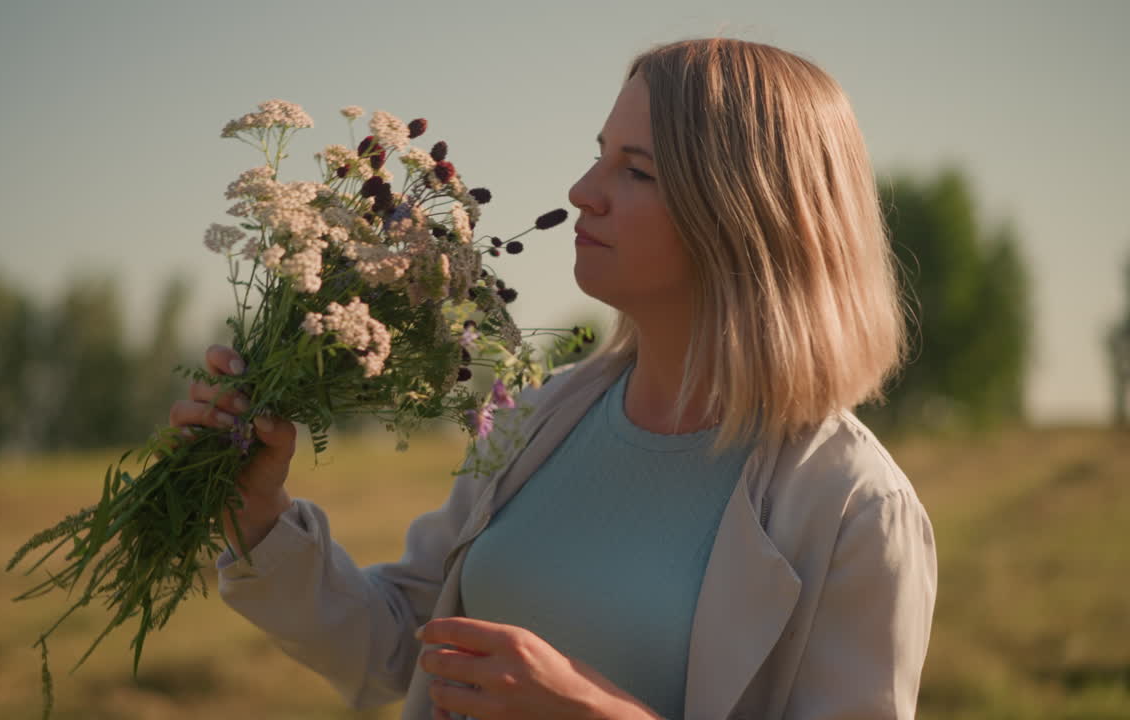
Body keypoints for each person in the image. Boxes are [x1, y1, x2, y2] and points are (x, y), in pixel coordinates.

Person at [169, 37, 937, 720]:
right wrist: (261, 511)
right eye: (599, 153)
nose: (582, 191)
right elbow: (404, 647)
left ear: (743, 214)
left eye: (634, 170)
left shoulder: (856, 510)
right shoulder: (538, 416)